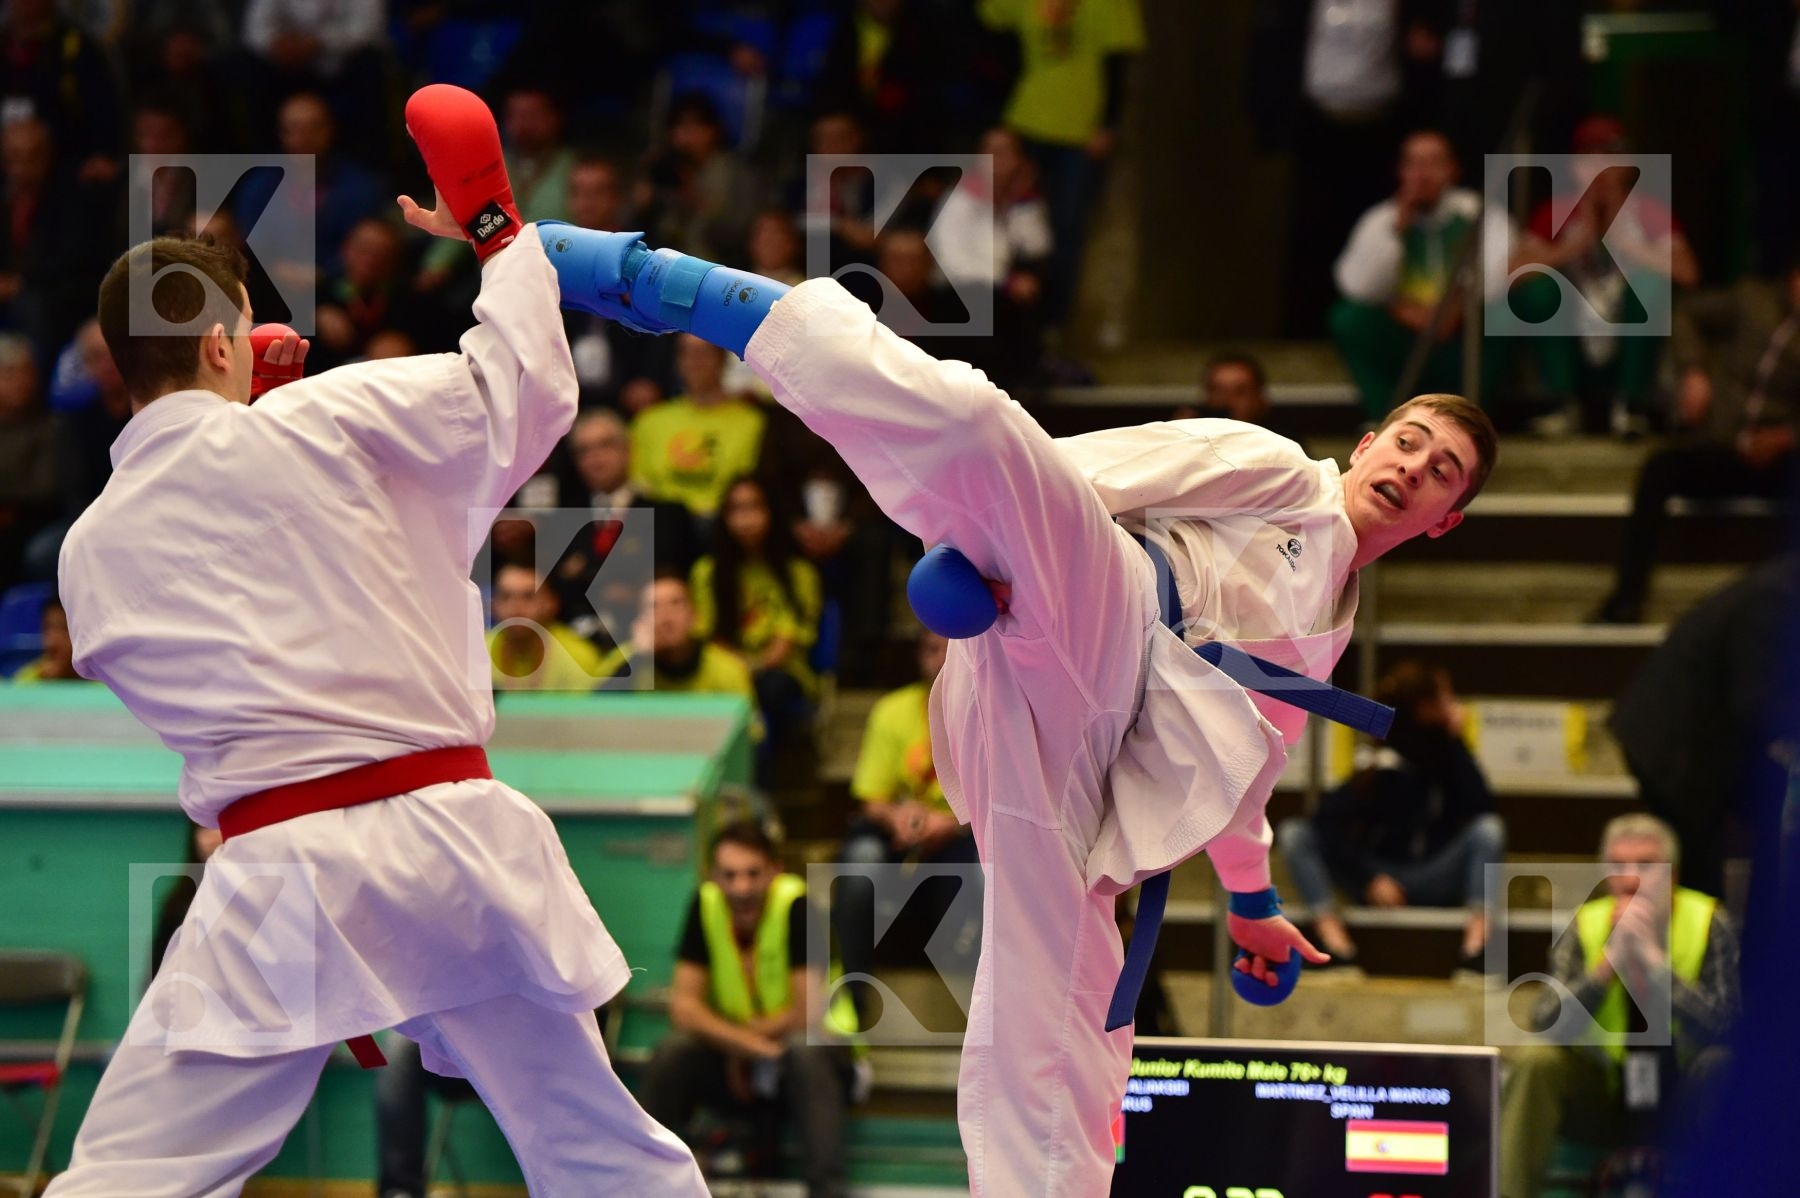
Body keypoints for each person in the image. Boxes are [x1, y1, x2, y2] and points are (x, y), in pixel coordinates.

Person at [535, 204, 1499, 1194]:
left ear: (1444, 521)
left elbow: (1246, 775)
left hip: (1091, 751)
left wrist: (1252, 905)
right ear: (1371, 440)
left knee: (1065, 1004)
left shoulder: (1327, 632)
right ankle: (658, 282)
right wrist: (977, 537)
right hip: (1108, 600)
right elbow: (1073, 472)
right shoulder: (1279, 470)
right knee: (979, 421)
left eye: (1442, 472)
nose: (1413, 467)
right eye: (1410, 441)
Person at [43, 85, 707, 1195]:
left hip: (276, 870)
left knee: (135, 1169)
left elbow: (187, 658)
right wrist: (496, 232)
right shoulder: (327, 418)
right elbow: (522, 389)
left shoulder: (89, 550)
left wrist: (264, 426)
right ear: (224, 340)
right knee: (594, 1144)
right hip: (446, 844)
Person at [1499, 814, 1739, 1198]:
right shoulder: (1586, 924)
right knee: (1535, 1061)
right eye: (1618, 865)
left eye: (1646, 865)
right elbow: (1544, 1021)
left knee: (1723, 1064)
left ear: (1673, 876)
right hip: (1605, 1097)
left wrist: (1655, 966)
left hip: (1682, 1098)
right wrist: (1605, 968)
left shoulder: (1709, 922)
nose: (1630, 878)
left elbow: (1727, 1025)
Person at [640, 820, 857, 1198]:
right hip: (746, 1057)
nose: (741, 888)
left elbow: (806, 1014)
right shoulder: (706, 905)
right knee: (674, 1051)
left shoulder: (798, 906)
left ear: (775, 871)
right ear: (713, 875)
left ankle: (827, 1190)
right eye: (729, 875)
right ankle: (642, 1183)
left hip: (815, 1061)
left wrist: (741, 1049)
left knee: (804, 1050)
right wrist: (744, 1048)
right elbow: (684, 1008)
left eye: (753, 874)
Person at [1592, 262, 1799, 624]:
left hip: (1780, 459)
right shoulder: (1753, 300)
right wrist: (1693, 370)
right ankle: (1626, 598)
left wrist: (1787, 437)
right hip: (1723, 444)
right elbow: (1685, 313)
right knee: (1660, 468)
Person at [1275, 660, 1503, 974]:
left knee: (1488, 831)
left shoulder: (1448, 753)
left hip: (1432, 874)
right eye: (1445, 697)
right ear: (1425, 707)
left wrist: (1457, 740)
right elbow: (1325, 822)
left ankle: (1478, 950)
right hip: (1379, 877)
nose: (1454, 704)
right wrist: (1369, 879)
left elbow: (1480, 806)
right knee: (1295, 834)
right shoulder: (1382, 759)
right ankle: (1334, 946)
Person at [836, 631, 980, 1001]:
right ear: (919, 656)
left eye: (953, 650)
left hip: (967, 832)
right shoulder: (892, 710)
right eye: (933, 649)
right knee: (860, 862)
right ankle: (854, 994)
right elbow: (872, 798)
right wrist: (897, 817)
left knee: (985, 871)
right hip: (899, 833)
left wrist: (953, 822)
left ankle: (976, 1005)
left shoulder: (993, 712)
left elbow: (1004, 798)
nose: (941, 659)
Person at [692, 475, 823, 753]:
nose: (745, 519)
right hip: (724, 668)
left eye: (754, 507)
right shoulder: (706, 573)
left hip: (780, 671)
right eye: (736, 509)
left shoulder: (799, 574)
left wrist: (753, 668)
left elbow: (787, 639)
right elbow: (709, 636)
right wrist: (735, 669)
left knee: (769, 689)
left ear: (772, 512)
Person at [630, 334, 766, 521]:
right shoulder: (649, 421)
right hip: (664, 523)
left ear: (721, 358)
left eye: (703, 353)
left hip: (725, 523)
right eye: (686, 353)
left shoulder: (752, 422)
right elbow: (640, 487)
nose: (694, 361)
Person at [487, 560, 604, 693]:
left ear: (551, 603)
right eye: (505, 596)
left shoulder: (579, 657)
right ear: (493, 604)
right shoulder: (475, 652)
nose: (515, 608)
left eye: (528, 597)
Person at [8, 592, 76, 682]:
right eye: (46, 628)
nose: (51, 642)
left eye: (64, 628)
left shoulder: (95, 676)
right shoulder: (29, 678)